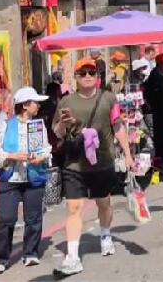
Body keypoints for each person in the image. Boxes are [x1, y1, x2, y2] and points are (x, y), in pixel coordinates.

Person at [51, 59, 134, 277]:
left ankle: (105, 234)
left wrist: (127, 154)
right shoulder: (66, 101)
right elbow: (58, 133)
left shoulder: (108, 98)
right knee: (73, 208)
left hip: (102, 162)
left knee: (104, 203)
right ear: (76, 77)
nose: (88, 75)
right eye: (82, 73)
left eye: (92, 72)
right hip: (74, 163)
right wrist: (64, 124)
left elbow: (117, 126)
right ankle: (72, 256)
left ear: (97, 76)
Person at [0, 87, 52, 274]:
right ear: (25, 105)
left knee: (33, 218)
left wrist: (42, 157)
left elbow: (46, 147)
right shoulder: (5, 125)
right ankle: (1, 258)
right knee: (6, 219)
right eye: (35, 102)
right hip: (10, 178)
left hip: (33, 177)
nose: (39, 106)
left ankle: (30, 253)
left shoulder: (39, 125)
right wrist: (13, 155)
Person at [144, 53, 163, 165]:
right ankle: (162, 155)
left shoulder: (160, 73)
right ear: (161, 63)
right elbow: (156, 92)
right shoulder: (155, 75)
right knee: (161, 133)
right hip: (160, 109)